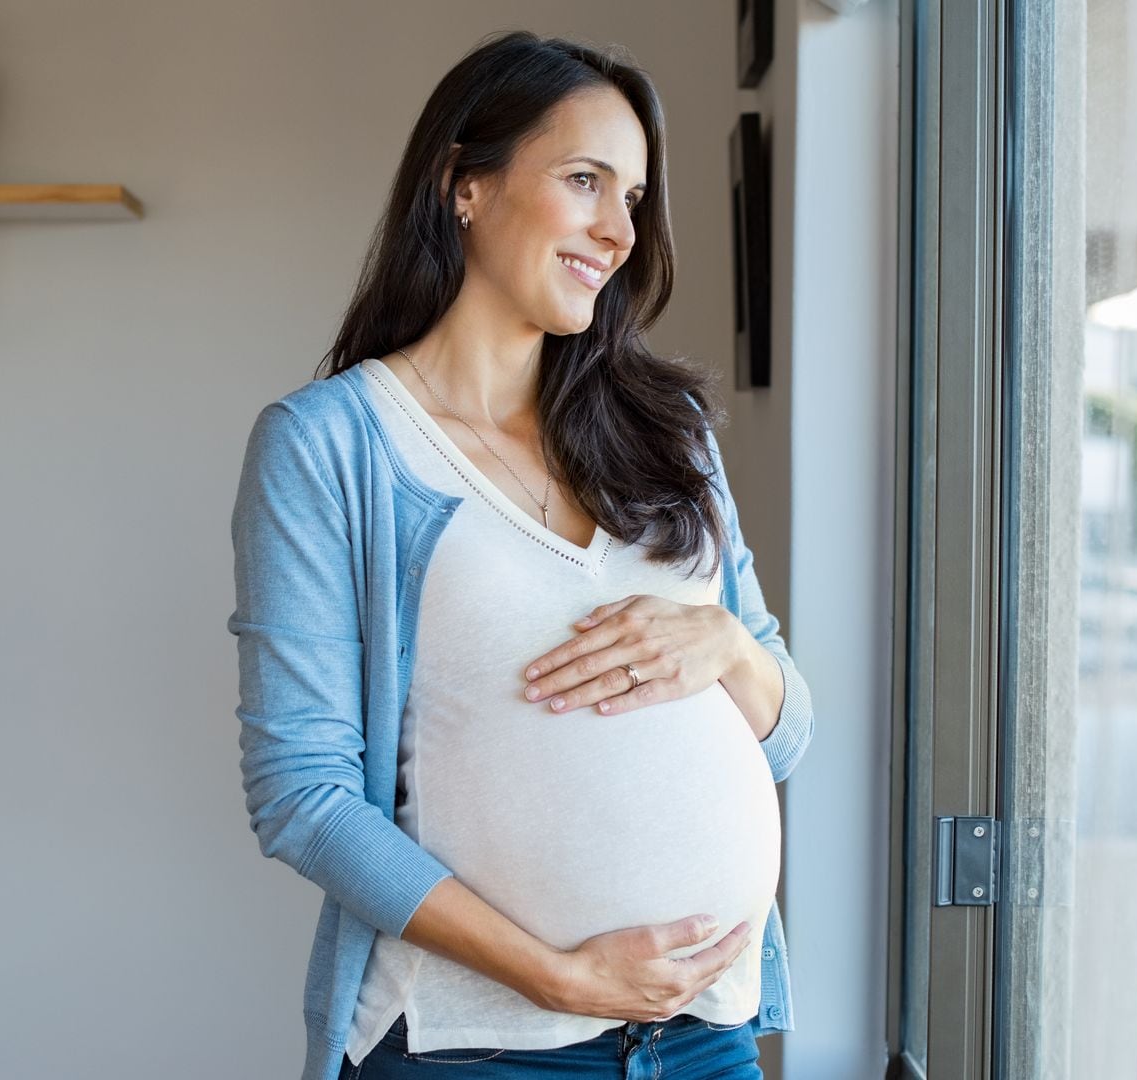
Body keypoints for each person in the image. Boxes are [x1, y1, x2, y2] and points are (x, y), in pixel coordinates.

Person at [227, 29, 815, 1080]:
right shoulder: (332, 445)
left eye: (633, 197)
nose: (618, 229)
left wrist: (726, 643)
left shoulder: (667, 430)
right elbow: (303, 794)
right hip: (479, 1047)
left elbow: (787, 733)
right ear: (466, 184)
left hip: (705, 1040)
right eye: (585, 180)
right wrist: (558, 977)